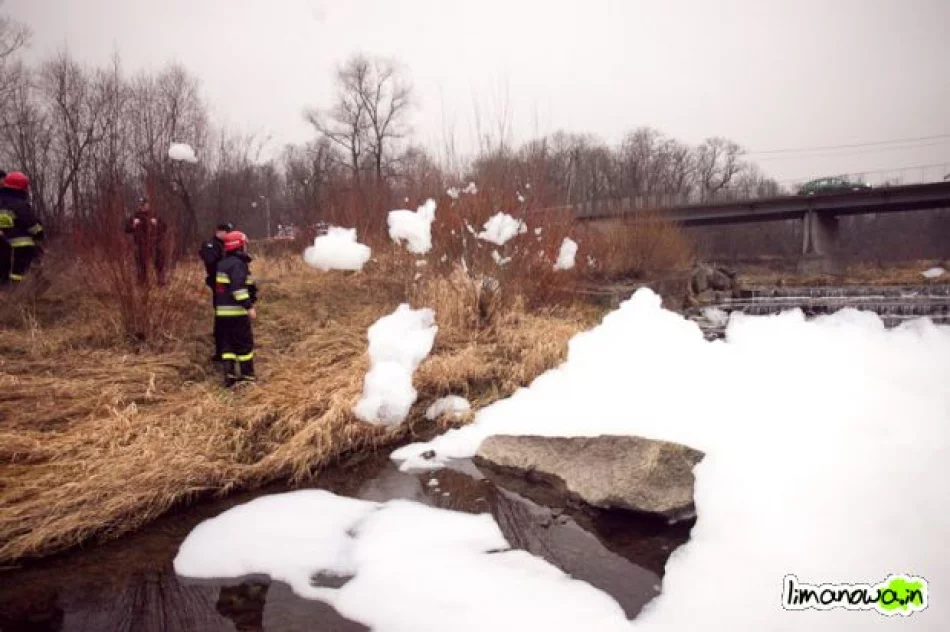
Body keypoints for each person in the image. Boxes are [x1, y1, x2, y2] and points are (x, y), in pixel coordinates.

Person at [214, 231, 258, 387]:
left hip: (222, 314)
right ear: (239, 246)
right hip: (237, 313)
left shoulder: (222, 264)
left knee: (227, 344)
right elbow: (238, 289)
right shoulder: (238, 265)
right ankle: (247, 378)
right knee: (244, 344)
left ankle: (229, 376)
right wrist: (249, 306)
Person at [0, 171, 44, 286]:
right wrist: (40, 233)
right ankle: (19, 291)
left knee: (4, 272)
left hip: (4, 244)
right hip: (22, 245)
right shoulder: (20, 204)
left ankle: (5, 290)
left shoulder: (2, 203)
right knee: (19, 272)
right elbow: (31, 224)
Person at [198, 221, 234, 362]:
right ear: (219, 231)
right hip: (218, 284)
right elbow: (211, 261)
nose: (228, 235)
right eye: (227, 232)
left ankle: (229, 345)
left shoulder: (227, 245)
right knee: (221, 315)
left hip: (230, 283)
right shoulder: (211, 245)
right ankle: (221, 349)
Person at [125, 196, 167, 285]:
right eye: (141, 205)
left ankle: (161, 279)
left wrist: (156, 224)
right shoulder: (135, 216)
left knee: (159, 258)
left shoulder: (154, 215)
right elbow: (126, 229)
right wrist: (133, 225)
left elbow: (164, 227)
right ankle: (142, 281)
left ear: (148, 205)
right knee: (140, 261)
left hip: (154, 242)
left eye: (144, 204)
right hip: (140, 243)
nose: (143, 206)